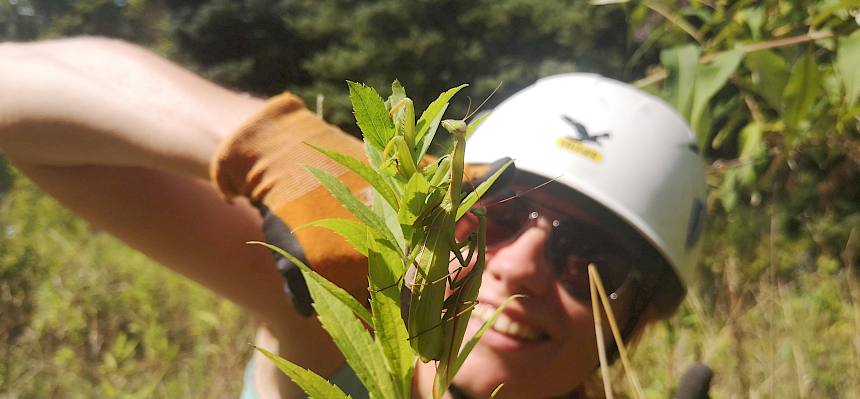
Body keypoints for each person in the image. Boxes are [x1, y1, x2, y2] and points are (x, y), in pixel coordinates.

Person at [0, 37, 706, 399]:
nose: (518, 263)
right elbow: (22, 97)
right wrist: (268, 140)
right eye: (495, 212)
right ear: (432, 214)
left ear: (636, 319)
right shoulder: (345, 322)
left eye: (592, 261)